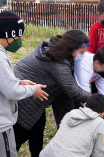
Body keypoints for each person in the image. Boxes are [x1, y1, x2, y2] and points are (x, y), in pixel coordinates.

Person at [13, 30, 93, 157]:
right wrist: (96, 98)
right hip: (24, 99)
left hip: (36, 99)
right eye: (82, 52)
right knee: (19, 136)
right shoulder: (57, 61)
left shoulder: (56, 52)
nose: (83, 55)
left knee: (37, 131)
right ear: (72, 48)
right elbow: (72, 90)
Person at [0, 11, 48, 157]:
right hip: (2, 125)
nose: (19, 40)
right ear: (9, 33)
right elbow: (11, 91)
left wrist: (19, 82)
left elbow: (4, 82)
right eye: (18, 36)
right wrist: (33, 89)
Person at [39, 93, 104, 157]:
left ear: (85, 105)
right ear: (103, 113)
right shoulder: (100, 124)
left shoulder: (70, 113)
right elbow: (98, 153)